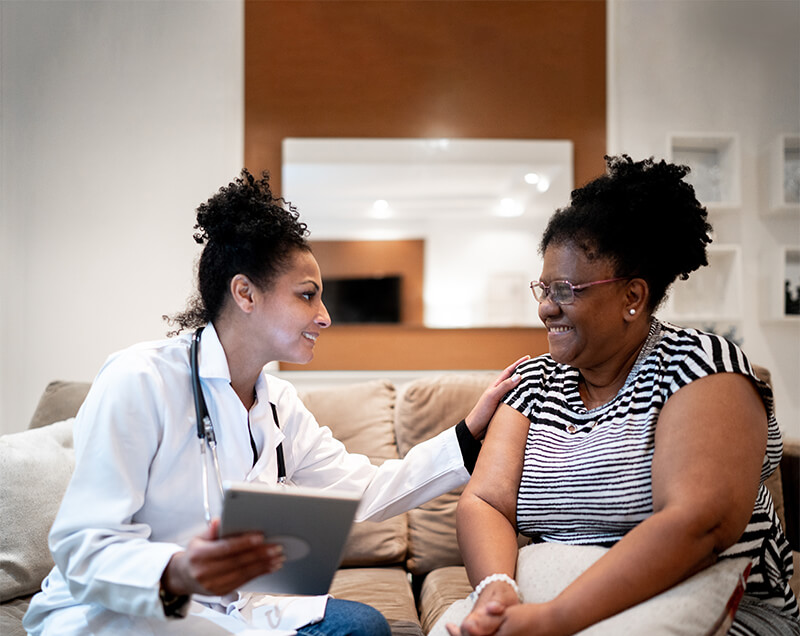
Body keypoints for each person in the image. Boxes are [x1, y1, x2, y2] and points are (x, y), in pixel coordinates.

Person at [22, 169, 526, 636]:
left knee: (364, 626)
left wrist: (467, 431)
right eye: (307, 295)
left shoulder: (279, 401)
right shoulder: (140, 380)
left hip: (235, 607)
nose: (325, 316)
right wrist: (178, 570)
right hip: (131, 611)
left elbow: (367, 489)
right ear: (245, 294)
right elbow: (82, 549)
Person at [445, 156, 800, 636]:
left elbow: (700, 522)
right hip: (551, 601)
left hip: (711, 611)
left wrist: (553, 619)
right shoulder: (531, 382)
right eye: (544, 288)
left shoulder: (700, 364)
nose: (546, 308)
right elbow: (485, 500)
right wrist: (495, 586)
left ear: (633, 296)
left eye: (566, 289)